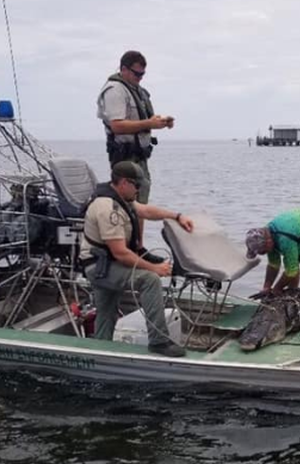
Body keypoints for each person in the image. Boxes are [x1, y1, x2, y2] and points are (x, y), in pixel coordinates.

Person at [78, 161, 194, 357]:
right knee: (149, 280)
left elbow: (146, 211)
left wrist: (177, 216)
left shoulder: (121, 199)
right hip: (100, 267)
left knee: (106, 312)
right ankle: (159, 341)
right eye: (137, 186)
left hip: (105, 264)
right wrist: (154, 268)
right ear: (124, 183)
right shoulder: (108, 209)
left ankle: (100, 351)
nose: (139, 190)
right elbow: (120, 253)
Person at [96, 50, 175, 255]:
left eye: (142, 74)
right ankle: (127, 247)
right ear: (123, 69)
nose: (140, 78)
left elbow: (141, 120)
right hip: (124, 156)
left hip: (140, 156)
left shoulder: (137, 90)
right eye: (136, 74)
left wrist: (160, 122)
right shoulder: (115, 90)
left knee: (140, 199)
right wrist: (150, 123)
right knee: (128, 201)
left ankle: (138, 246)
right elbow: (117, 126)